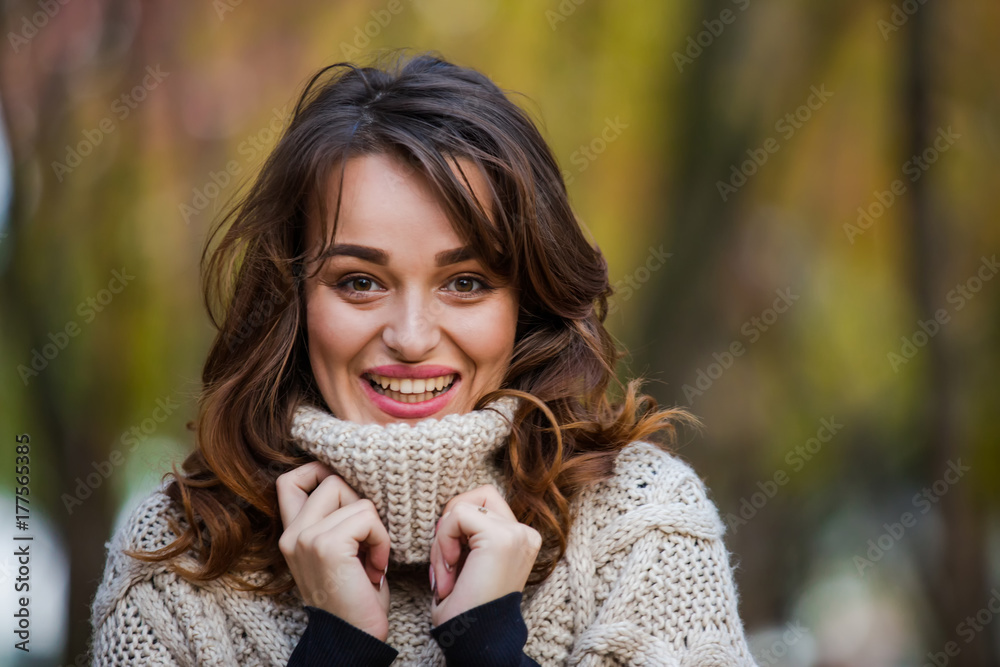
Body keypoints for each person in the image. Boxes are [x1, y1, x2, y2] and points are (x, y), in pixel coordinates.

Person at [89, 50, 759, 666]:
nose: (411, 337)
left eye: (465, 282)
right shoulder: (176, 557)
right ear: (291, 296)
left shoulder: (642, 524)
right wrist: (335, 648)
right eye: (360, 281)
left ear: (524, 301)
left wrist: (490, 646)